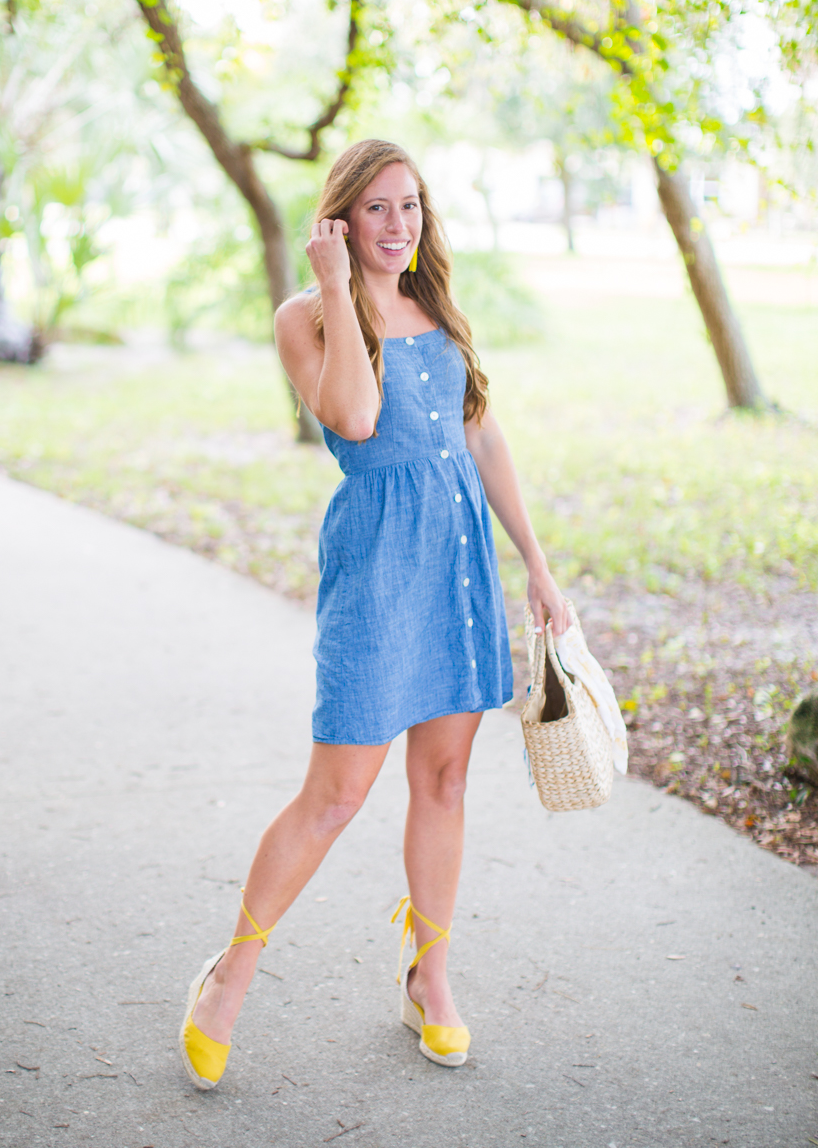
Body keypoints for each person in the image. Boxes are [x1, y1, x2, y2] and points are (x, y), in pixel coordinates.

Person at [180, 139, 568, 1089]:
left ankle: (430, 981)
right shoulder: (306, 317)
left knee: (442, 785)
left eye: (413, 208)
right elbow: (352, 419)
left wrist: (539, 565)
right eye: (380, 210)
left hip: (459, 565)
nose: (400, 227)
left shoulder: (438, 305)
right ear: (342, 220)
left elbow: (482, 431)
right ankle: (230, 974)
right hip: (377, 567)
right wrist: (337, 285)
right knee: (337, 795)